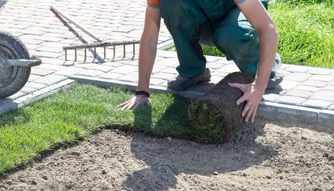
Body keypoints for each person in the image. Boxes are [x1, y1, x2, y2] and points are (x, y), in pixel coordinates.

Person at [118, 0, 283, 123]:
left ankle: (265, 65)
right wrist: (142, 92)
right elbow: (150, 38)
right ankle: (194, 71)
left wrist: (258, 87)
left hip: (237, 15)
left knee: (230, 35)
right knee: (171, 3)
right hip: (204, 19)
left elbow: (268, 29)